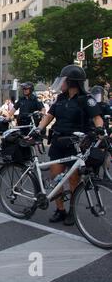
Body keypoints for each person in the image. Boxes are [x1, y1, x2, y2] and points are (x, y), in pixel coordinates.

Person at [36, 65, 104, 226]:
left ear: (72, 82)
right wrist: (39, 129)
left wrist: (100, 129)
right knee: (56, 178)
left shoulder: (86, 99)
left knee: (74, 179)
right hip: (59, 142)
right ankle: (60, 210)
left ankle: (72, 212)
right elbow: (49, 115)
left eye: (64, 80)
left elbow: (97, 118)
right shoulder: (60, 98)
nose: (61, 83)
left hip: (76, 145)